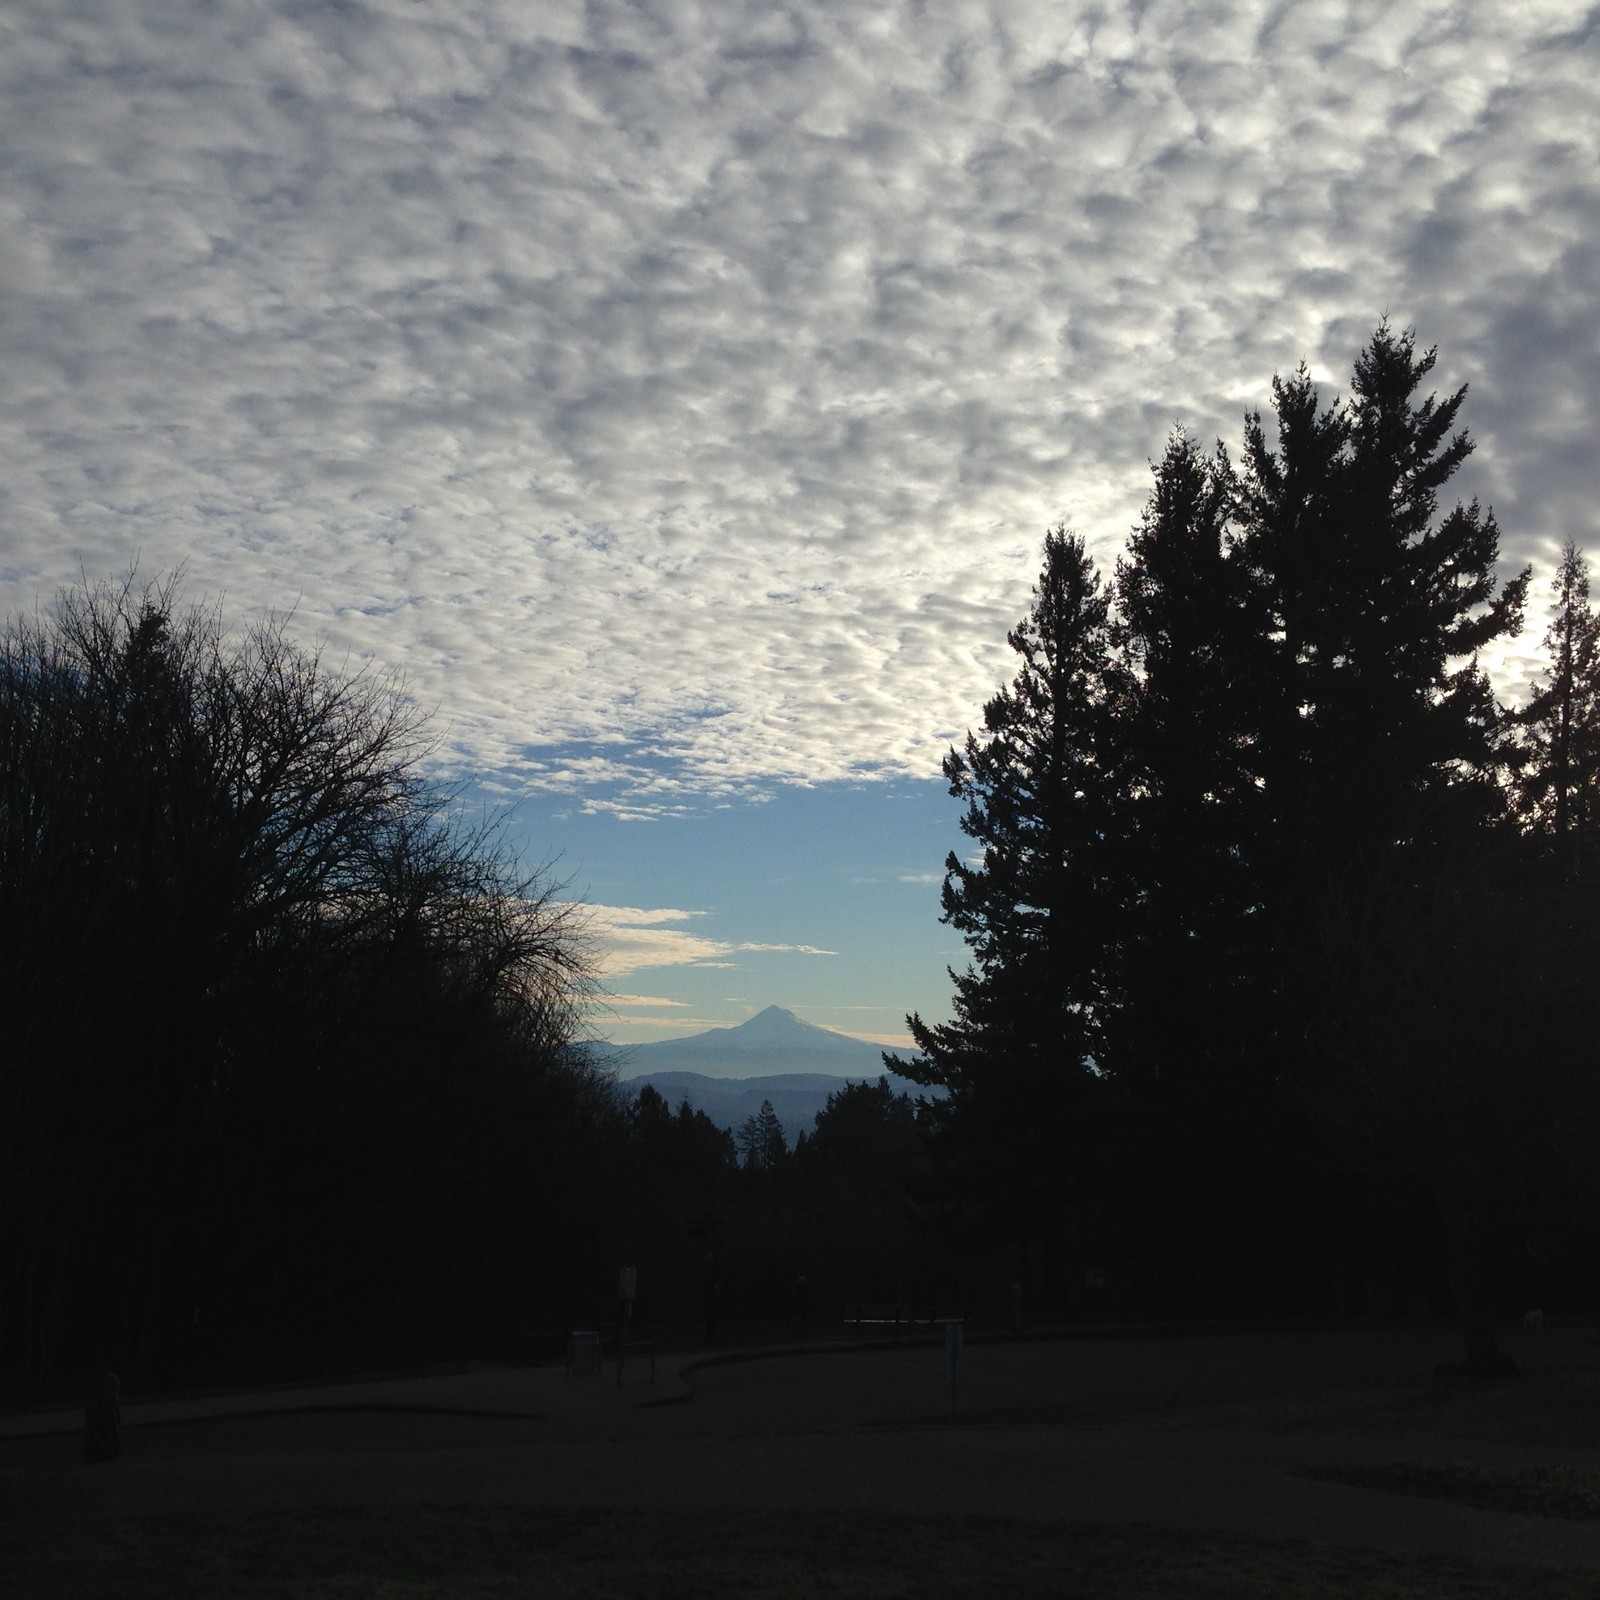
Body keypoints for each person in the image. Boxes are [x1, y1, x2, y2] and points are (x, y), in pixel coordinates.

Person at [82, 1372, 121, 1463]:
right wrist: (104, 1448)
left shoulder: (111, 1407)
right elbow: (92, 1432)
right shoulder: (98, 1408)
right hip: (97, 1454)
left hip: (105, 1452)